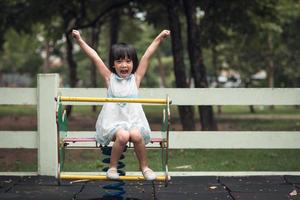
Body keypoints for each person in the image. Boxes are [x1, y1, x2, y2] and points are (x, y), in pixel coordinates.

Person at [72, 29, 170, 180]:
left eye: (128, 61)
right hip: (113, 124)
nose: (124, 65)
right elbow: (95, 57)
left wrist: (159, 38)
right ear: (113, 64)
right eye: (119, 61)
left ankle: (144, 166)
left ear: (133, 63)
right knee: (123, 135)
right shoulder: (109, 78)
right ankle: (112, 167)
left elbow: (147, 55)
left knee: (136, 135)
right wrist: (79, 40)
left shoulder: (135, 79)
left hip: (133, 122)